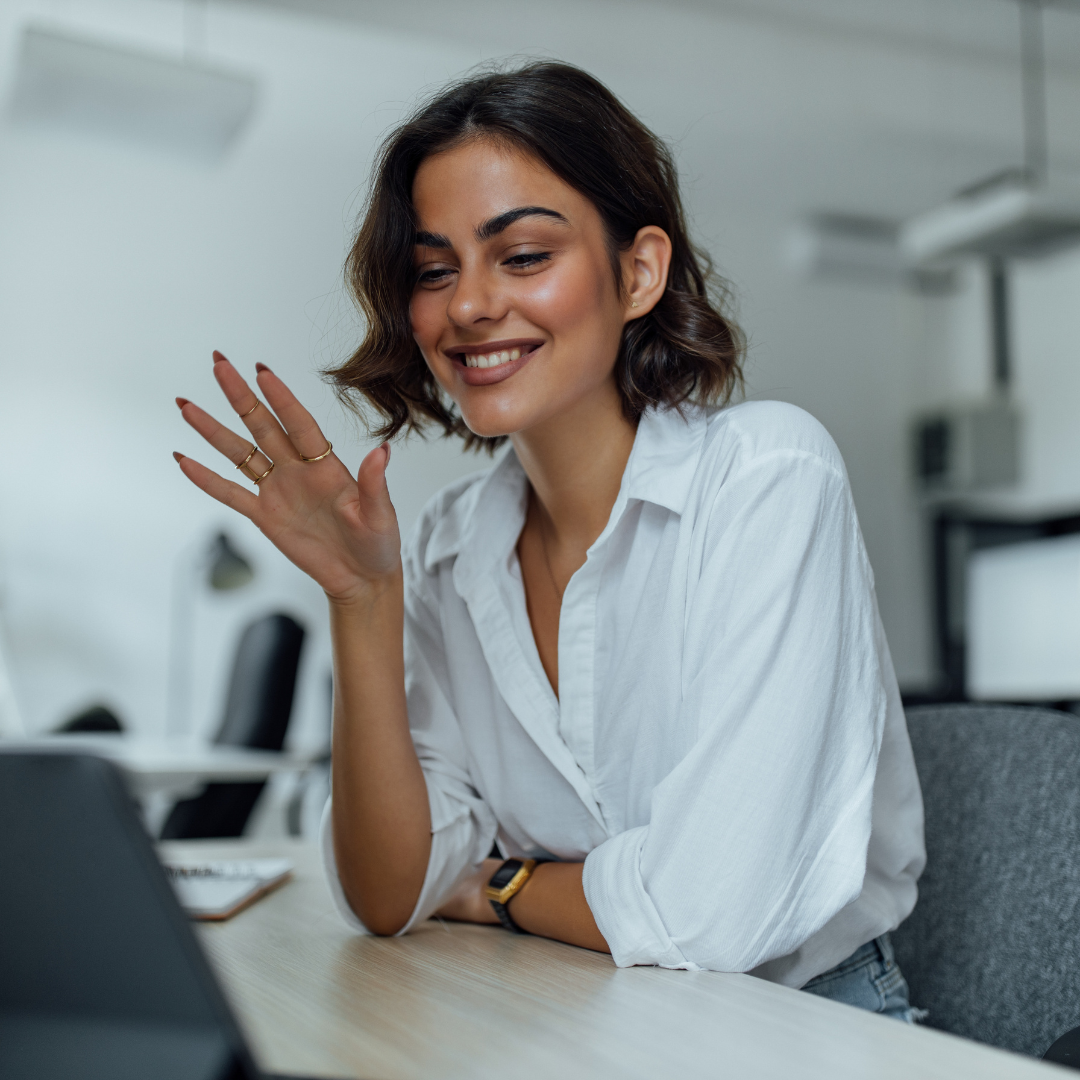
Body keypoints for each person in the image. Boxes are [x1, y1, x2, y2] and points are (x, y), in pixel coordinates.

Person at [173, 62, 926, 1019]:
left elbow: (715, 919)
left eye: (522, 256)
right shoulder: (448, 546)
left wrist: (498, 887)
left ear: (639, 271)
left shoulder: (769, 478)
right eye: (434, 270)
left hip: (808, 1022)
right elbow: (390, 892)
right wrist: (362, 604)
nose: (470, 306)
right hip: (579, 1007)